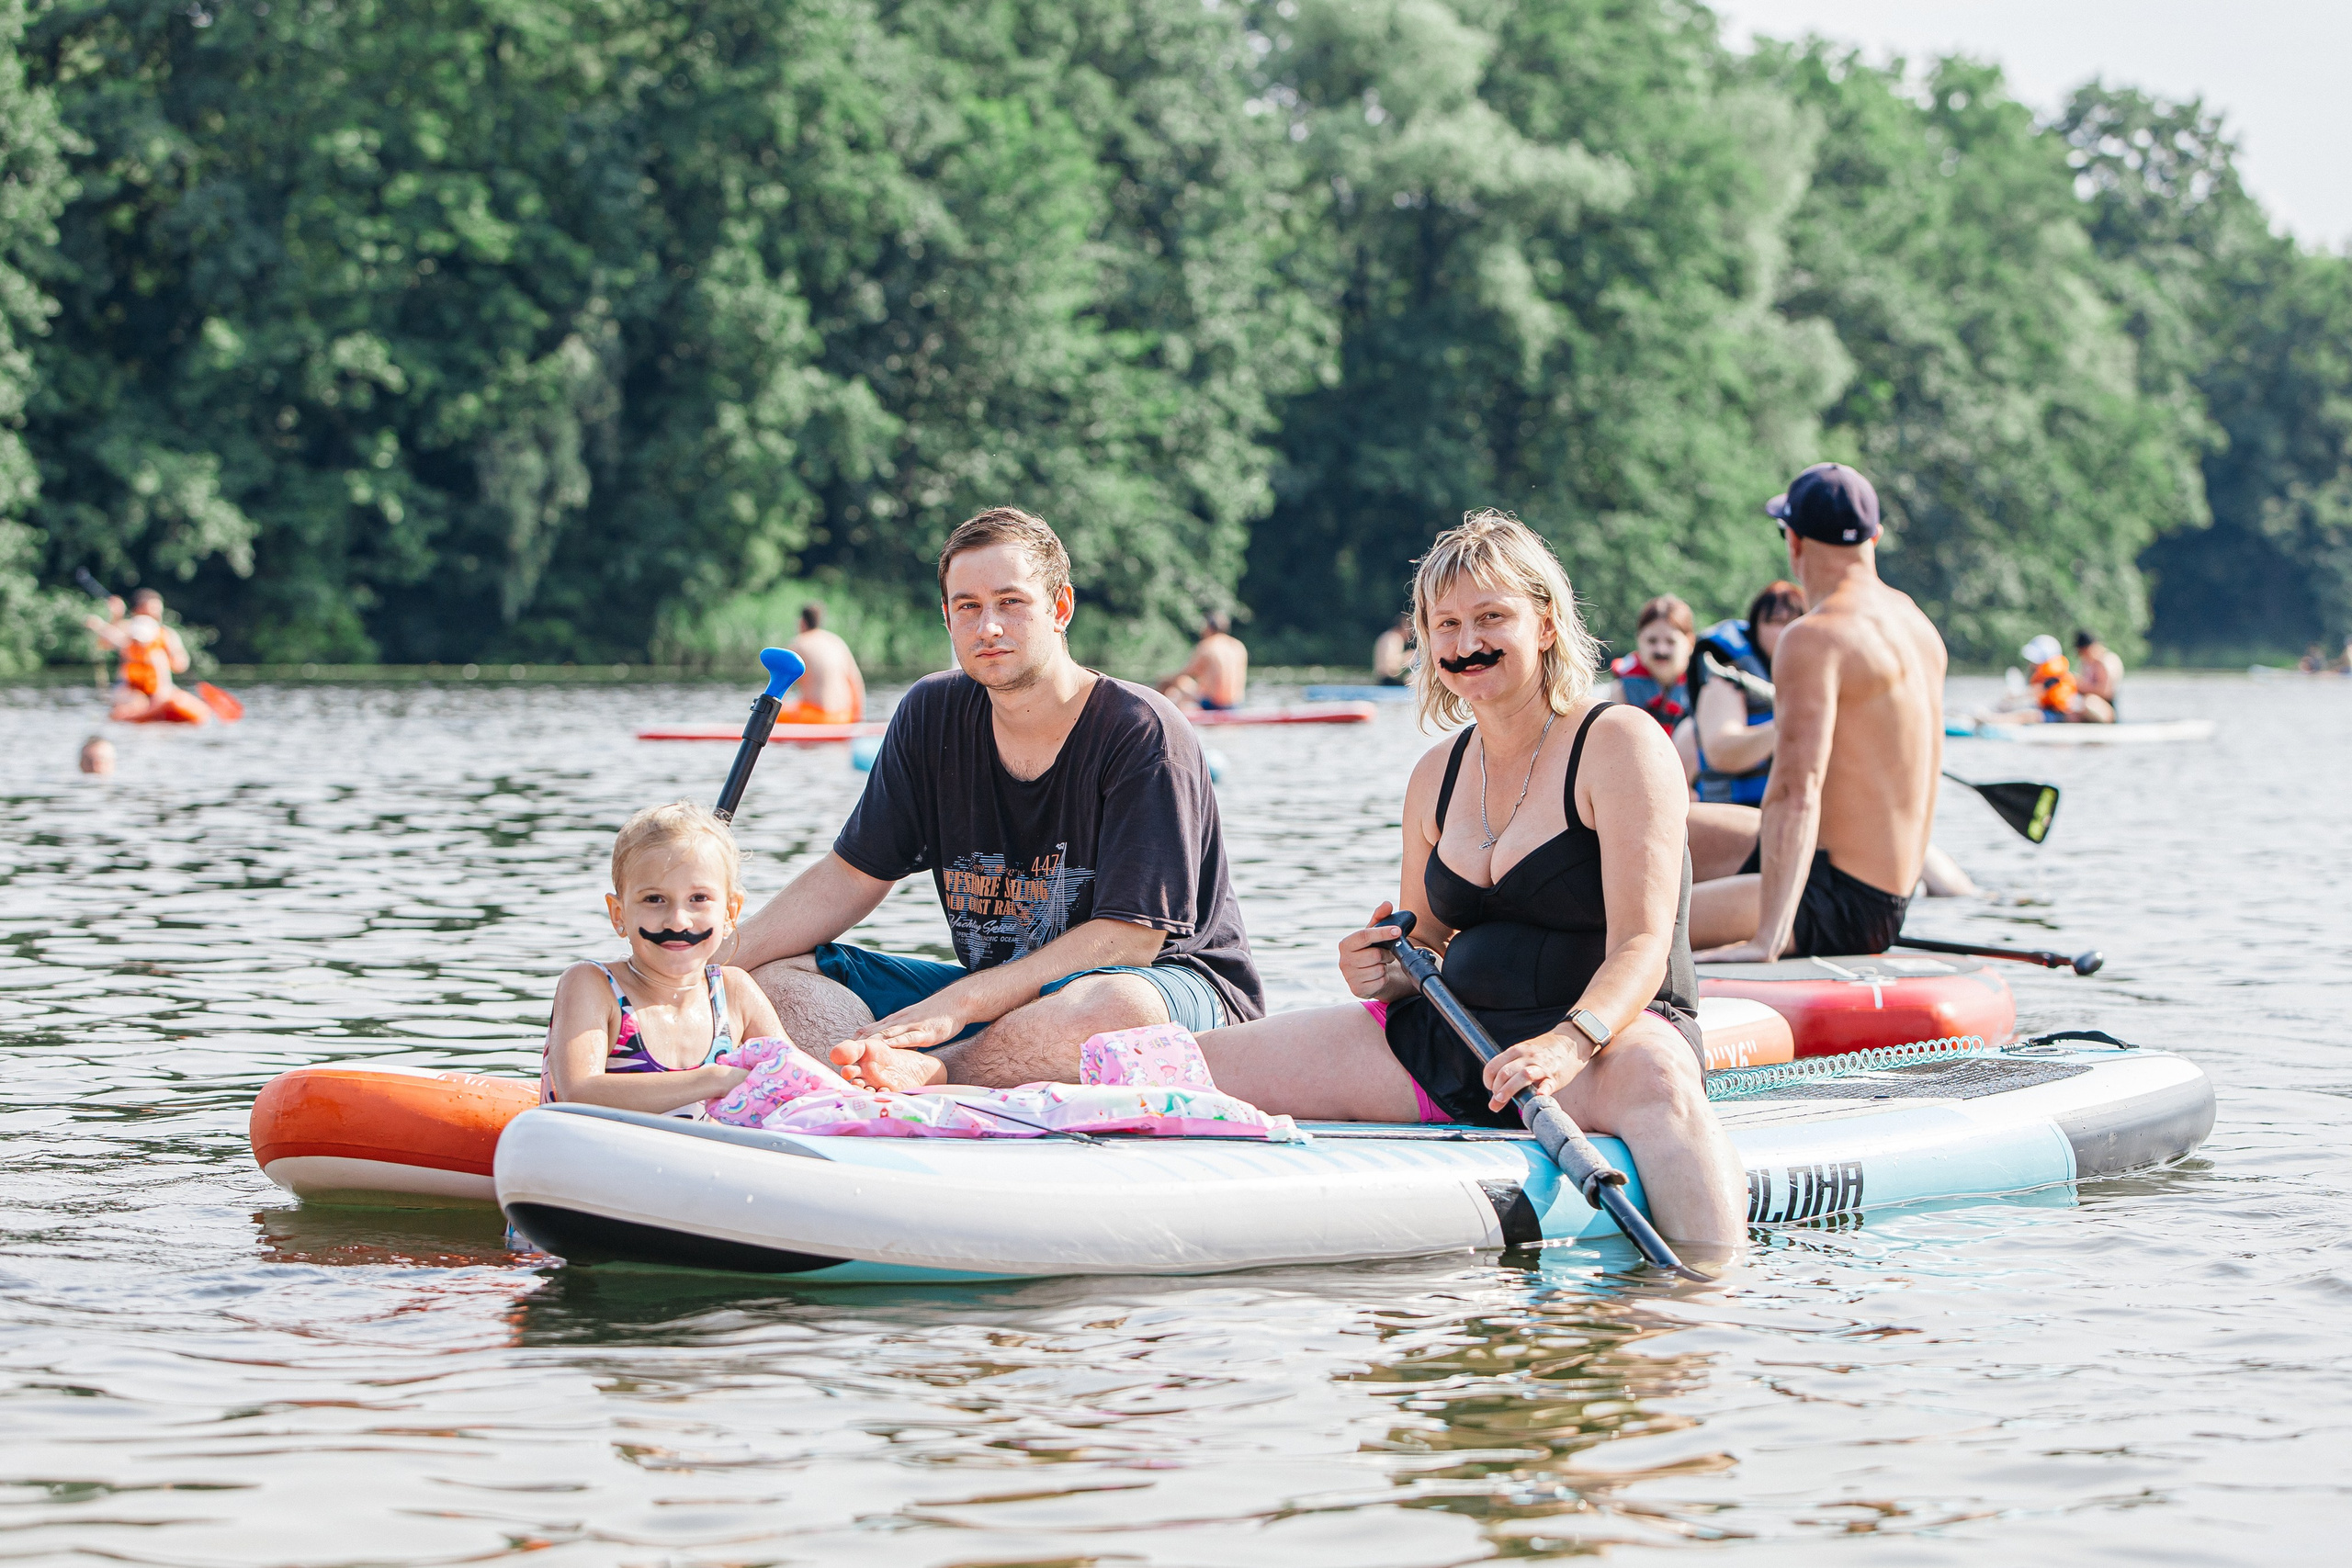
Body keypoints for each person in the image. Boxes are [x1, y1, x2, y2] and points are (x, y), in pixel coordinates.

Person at [1182, 510, 1746, 1249]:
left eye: (1491, 617)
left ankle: (1711, 1311)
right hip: (1457, 1042)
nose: (1466, 643)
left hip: (1608, 1045)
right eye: (1444, 624)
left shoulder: (1619, 742)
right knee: (1192, 1064)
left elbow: (1642, 942)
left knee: (1664, 1085)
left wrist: (1568, 1043)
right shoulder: (1433, 775)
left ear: (1545, 623)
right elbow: (1426, 941)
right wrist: (1379, 969)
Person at [732, 507, 1264, 1091]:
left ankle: (928, 1074)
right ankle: (867, 1072)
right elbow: (851, 877)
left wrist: (963, 1005)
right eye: (968, 606)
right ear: (948, 618)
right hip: (1000, 998)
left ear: (1060, 608)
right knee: (771, 978)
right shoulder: (930, 714)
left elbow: (1129, 941)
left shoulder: (1141, 731)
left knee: (1114, 1007)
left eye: (1011, 602)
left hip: (1166, 985)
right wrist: (704, 965)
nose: (988, 626)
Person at [1687, 464, 1946, 960]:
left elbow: (1794, 791)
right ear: (1876, 538)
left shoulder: (1814, 637)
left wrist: (1768, 937)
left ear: (1795, 542)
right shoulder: (1916, 623)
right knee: (1662, 829)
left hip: (1841, 903)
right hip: (1872, 888)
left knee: (1625, 932)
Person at [541, 802, 786, 1114]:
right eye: (654, 899)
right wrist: (715, 1079)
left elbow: (791, 1077)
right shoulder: (593, 985)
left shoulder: (735, 993)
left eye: (699, 899)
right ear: (619, 914)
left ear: (730, 913)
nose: (678, 921)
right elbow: (578, 1091)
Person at [1679, 581, 1806, 806]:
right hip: (1736, 812)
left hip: (1791, 808)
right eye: (1776, 622)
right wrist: (1793, 725)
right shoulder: (1726, 673)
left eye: (1795, 621)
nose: (1787, 630)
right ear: (1756, 628)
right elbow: (1721, 752)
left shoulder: (1814, 673)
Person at [85, 590, 196, 723]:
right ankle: (140, 711)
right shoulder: (129, 630)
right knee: (137, 702)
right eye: (150, 610)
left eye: (157, 610)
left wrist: (166, 657)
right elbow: (105, 642)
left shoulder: (166, 635)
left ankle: (156, 707)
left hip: (159, 688)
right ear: (138, 610)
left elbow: (181, 665)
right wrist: (115, 616)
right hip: (131, 689)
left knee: (173, 696)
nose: (155, 614)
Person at [1608, 595, 1695, 731]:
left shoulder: (1705, 684)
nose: (1661, 650)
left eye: (1670, 642)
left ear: (1690, 642)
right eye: (1652, 641)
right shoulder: (1622, 688)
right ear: (1639, 640)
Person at [1984, 635, 2114, 725]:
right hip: (2052, 710)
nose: (2031, 664)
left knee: (2030, 715)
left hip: (2062, 714)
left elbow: (2036, 691)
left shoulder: (2055, 674)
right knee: (2027, 710)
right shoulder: (2045, 673)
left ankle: (1993, 720)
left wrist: (2015, 696)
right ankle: (1993, 716)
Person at [782, 602, 865, 723]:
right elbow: (856, 682)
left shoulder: (798, 643)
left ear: (802, 622)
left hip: (817, 717)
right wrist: (858, 719)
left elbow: (782, 686)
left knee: (774, 713)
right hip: (844, 716)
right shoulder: (837, 642)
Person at [1158, 610, 1249, 710]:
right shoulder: (1238, 646)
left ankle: (1163, 713)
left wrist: (1164, 679)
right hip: (1236, 705)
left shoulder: (1207, 646)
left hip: (1212, 705)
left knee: (1176, 682)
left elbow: (1185, 673)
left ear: (1209, 627)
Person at [2074, 628, 2122, 716]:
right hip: (2090, 703)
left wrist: (2082, 686)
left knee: (2089, 703)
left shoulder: (2107, 660)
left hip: (2108, 708)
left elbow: (2106, 691)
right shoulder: (2086, 663)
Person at [1373, 614, 1413, 684]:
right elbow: (1390, 663)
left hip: (1381, 679)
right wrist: (1408, 657)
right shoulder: (1395, 638)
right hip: (1388, 680)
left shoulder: (1386, 635)